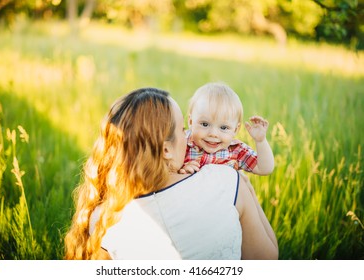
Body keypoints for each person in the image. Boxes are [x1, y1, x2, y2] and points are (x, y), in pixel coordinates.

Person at [64, 87, 278, 260]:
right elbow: (267, 259)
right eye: (182, 129)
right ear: (166, 149)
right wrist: (245, 188)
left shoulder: (102, 218)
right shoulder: (226, 182)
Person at [180, 82, 274, 175]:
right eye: (205, 124)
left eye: (223, 127)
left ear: (235, 130)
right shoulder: (182, 143)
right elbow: (167, 168)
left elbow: (264, 169)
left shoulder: (236, 151)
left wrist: (261, 141)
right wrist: (181, 170)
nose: (213, 134)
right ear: (191, 122)